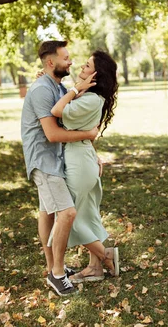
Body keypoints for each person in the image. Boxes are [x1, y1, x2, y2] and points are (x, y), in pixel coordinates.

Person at [21, 40, 98, 296]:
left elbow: (66, 108)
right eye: (66, 58)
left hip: (54, 159)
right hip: (44, 161)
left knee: (48, 212)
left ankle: (53, 267)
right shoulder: (43, 90)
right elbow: (53, 134)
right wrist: (88, 134)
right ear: (51, 62)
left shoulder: (56, 85)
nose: (71, 62)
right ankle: (56, 274)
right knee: (67, 213)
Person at [50, 50, 120, 283]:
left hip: (79, 163)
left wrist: (74, 89)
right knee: (87, 215)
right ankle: (94, 267)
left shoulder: (90, 99)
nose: (81, 67)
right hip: (83, 158)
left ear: (95, 74)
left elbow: (57, 111)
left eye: (87, 65)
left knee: (72, 218)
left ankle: (106, 256)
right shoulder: (88, 97)